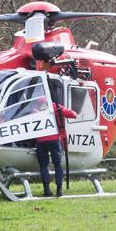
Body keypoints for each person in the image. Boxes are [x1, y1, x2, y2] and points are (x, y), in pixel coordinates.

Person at [36, 59, 77, 197]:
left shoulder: (34, 109)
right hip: (54, 139)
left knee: (43, 166)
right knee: (57, 164)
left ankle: (47, 190)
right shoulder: (55, 107)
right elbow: (73, 114)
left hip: (41, 140)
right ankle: (59, 191)